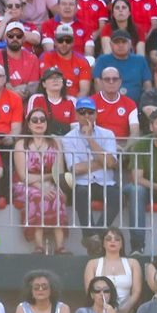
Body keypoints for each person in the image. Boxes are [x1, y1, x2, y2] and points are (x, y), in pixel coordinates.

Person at [62, 96, 121, 255]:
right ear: (76, 115)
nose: (86, 116)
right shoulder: (68, 138)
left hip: (105, 182)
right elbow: (75, 169)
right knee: (80, 193)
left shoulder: (107, 134)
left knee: (117, 197)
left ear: (95, 114)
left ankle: (95, 237)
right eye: (82, 112)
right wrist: (102, 160)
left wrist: (90, 139)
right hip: (83, 182)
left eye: (90, 112)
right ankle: (95, 238)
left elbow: (111, 163)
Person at [13, 107, 69, 254]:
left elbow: (59, 172)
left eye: (42, 119)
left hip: (50, 183)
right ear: (29, 124)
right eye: (35, 120)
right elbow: (23, 175)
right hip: (24, 185)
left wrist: (48, 182)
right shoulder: (21, 144)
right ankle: (38, 245)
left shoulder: (55, 142)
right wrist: (43, 183)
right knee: (37, 196)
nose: (39, 123)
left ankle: (60, 246)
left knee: (58, 196)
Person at [84, 228, 143, 313]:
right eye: (108, 239)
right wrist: (105, 310)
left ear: (122, 244)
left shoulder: (132, 263)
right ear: (103, 243)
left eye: (117, 239)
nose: (113, 241)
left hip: (125, 311)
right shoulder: (92, 264)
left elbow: (137, 292)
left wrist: (123, 309)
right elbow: (89, 291)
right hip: (99, 309)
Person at [127, 110, 157, 257]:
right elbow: (137, 178)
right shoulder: (142, 144)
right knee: (135, 189)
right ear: (151, 127)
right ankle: (137, 246)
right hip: (148, 188)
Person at [0, 21, 40, 97]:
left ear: (24, 38)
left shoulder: (32, 59)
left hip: (25, 101)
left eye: (19, 36)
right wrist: (12, 92)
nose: (15, 38)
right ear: (5, 37)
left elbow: (33, 86)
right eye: (11, 35)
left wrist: (15, 91)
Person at [95, 30, 152, 101]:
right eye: (116, 42)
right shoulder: (103, 60)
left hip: (137, 104)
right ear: (110, 44)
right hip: (110, 104)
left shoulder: (140, 60)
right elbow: (98, 84)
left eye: (124, 42)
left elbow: (147, 85)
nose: (120, 45)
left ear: (130, 44)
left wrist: (147, 102)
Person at [39, 24, 92, 97]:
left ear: (73, 42)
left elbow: (84, 91)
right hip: (52, 99)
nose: (64, 44)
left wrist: (72, 105)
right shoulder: (46, 57)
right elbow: (47, 84)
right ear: (55, 42)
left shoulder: (82, 61)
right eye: (60, 40)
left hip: (74, 101)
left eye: (68, 40)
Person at [92, 66, 142, 142]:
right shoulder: (90, 102)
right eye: (107, 79)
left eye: (115, 79)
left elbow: (135, 133)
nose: (111, 82)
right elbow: (90, 132)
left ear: (120, 82)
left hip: (123, 148)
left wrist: (125, 150)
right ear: (101, 82)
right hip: (99, 148)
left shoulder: (130, 104)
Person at [27, 67, 77, 135]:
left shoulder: (72, 101)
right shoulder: (36, 99)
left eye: (58, 77)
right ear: (44, 84)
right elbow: (31, 124)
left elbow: (75, 127)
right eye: (50, 78)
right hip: (43, 139)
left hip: (66, 140)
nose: (55, 80)